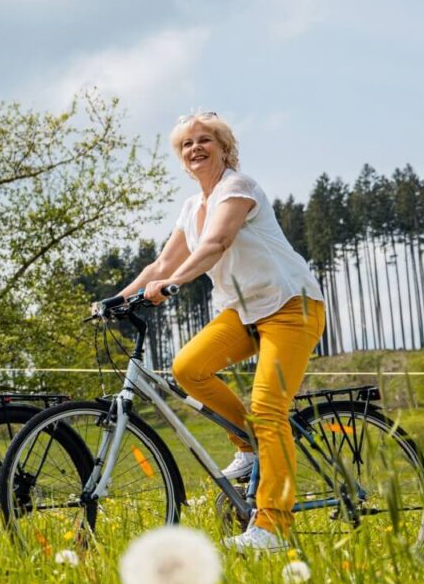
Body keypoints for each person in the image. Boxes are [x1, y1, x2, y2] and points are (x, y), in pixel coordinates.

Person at [113, 112, 325, 551]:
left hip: (290, 306)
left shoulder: (238, 187)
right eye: (186, 144)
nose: (195, 149)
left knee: (268, 407)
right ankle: (249, 449)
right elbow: (161, 264)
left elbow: (215, 244)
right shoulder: (192, 208)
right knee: (189, 368)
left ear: (224, 148)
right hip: (244, 312)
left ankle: (273, 527)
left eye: (204, 140)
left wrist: (173, 285)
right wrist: (118, 298)